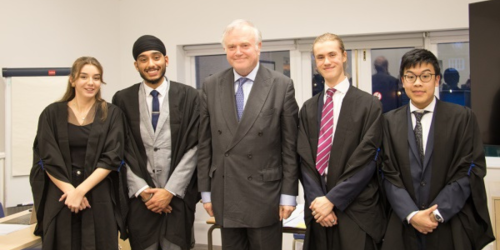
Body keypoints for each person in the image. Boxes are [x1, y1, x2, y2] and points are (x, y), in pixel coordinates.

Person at [197, 19, 299, 250]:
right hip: (226, 190)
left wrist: (288, 195)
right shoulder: (211, 85)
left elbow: (289, 148)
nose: (238, 52)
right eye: (231, 47)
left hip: (266, 195)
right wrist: (206, 192)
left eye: (244, 45)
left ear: (258, 46)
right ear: (225, 50)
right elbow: (205, 144)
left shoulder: (281, 85)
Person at [381, 49, 495, 250]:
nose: (417, 83)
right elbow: (387, 172)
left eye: (425, 76)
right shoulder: (388, 122)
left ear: (436, 80)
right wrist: (412, 214)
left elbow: (471, 168)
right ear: (402, 81)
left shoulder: (462, 118)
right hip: (403, 226)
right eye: (410, 76)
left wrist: (436, 213)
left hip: (449, 224)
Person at [297, 33, 385, 250]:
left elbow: (368, 161)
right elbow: (305, 160)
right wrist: (318, 201)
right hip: (318, 213)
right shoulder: (308, 108)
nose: (326, 61)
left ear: (344, 56)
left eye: (332, 54)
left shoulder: (369, 105)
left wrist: (332, 200)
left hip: (356, 211)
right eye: (320, 57)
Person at [30, 56, 128, 250]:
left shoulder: (112, 113)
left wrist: (81, 191)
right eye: (84, 77)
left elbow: (112, 157)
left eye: (96, 77)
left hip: (98, 194)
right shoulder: (51, 113)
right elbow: (47, 157)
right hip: (60, 196)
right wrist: (70, 192)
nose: (91, 83)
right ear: (72, 79)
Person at [112, 35, 199, 250]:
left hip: (177, 198)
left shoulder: (190, 96)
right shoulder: (122, 99)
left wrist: (170, 191)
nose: (151, 64)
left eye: (156, 57)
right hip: (141, 201)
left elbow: (196, 146)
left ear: (166, 60)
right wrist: (141, 189)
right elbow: (118, 148)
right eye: (143, 59)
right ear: (136, 65)